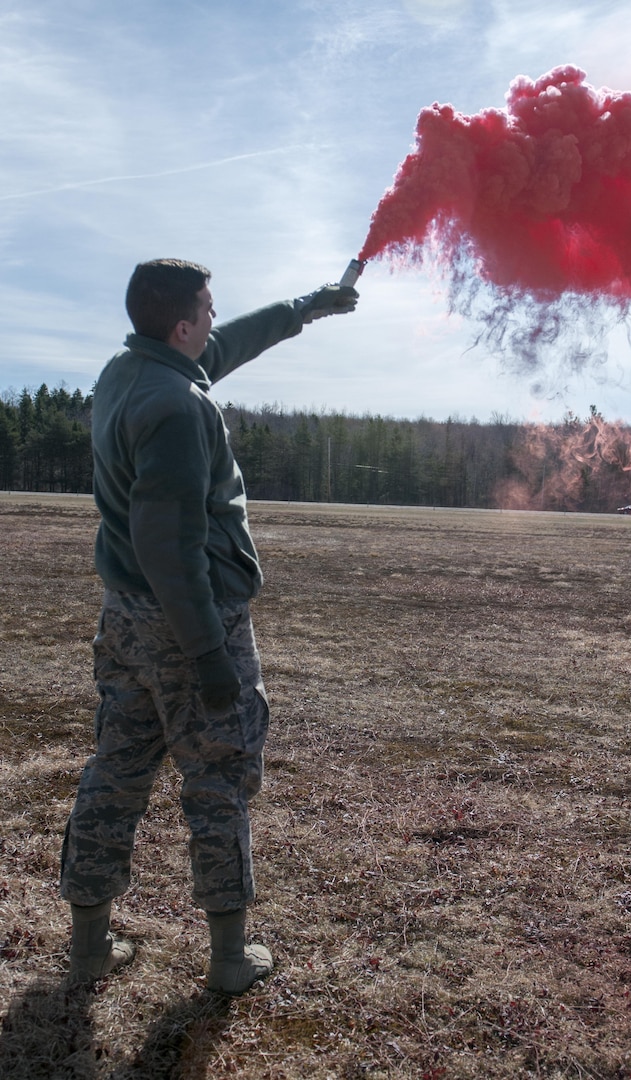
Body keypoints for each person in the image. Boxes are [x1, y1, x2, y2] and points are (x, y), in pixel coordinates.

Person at [59, 258, 359, 994]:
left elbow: (226, 349)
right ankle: (229, 959)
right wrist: (209, 657)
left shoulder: (129, 373)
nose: (216, 320)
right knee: (218, 779)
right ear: (183, 324)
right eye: (209, 310)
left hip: (124, 619)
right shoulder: (177, 408)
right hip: (188, 622)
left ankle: (89, 946)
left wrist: (306, 307)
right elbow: (170, 546)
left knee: (116, 771)